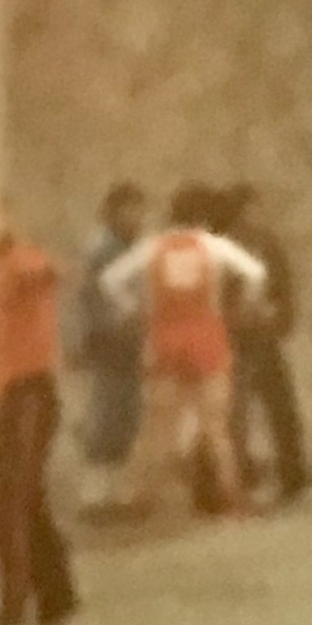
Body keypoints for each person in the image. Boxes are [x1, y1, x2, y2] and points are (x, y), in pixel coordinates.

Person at [101, 187, 268, 521]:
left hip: (164, 336)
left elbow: (110, 279)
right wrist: (245, 305)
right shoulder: (212, 245)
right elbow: (256, 273)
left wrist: (134, 310)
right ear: (204, 217)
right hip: (206, 333)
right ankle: (232, 496)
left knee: (157, 425)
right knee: (216, 425)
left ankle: (135, 497)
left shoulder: (153, 246)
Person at [0, 205, 80, 625]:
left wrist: (39, 272)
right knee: (22, 501)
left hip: (29, 394)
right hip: (9, 395)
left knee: (15, 499)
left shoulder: (21, 261)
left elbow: (48, 271)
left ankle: (13, 620)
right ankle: (55, 605)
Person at [219, 186, 307, 503]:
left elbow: (283, 285)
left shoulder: (268, 243)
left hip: (265, 334)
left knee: (281, 407)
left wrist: (280, 316)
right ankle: (242, 480)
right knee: (237, 411)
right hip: (237, 337)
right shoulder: (223, 246)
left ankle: (293, 477)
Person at [67, 181, 149, 503]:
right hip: (106, 339)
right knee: (106, 409)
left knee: (127, 411)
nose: (136, 215)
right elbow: (89, 297)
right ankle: (94, 489)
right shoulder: (100, 250)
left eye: (139, 208)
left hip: (129, 339)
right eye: (129, 209)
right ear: (113, 212)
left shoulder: (133, 247)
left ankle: (116, 489)